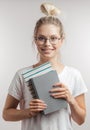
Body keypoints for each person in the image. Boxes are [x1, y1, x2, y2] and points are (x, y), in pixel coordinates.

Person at [2, 2, 87, 130]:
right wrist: (28, 112)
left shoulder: (74, 74)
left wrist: (71, 100)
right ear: (35, 40)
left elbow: (80, 120)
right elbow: (6, 114)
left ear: (61, 40)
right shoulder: (22, 74)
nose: (47, 44)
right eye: (41, 38)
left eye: (53, 38)